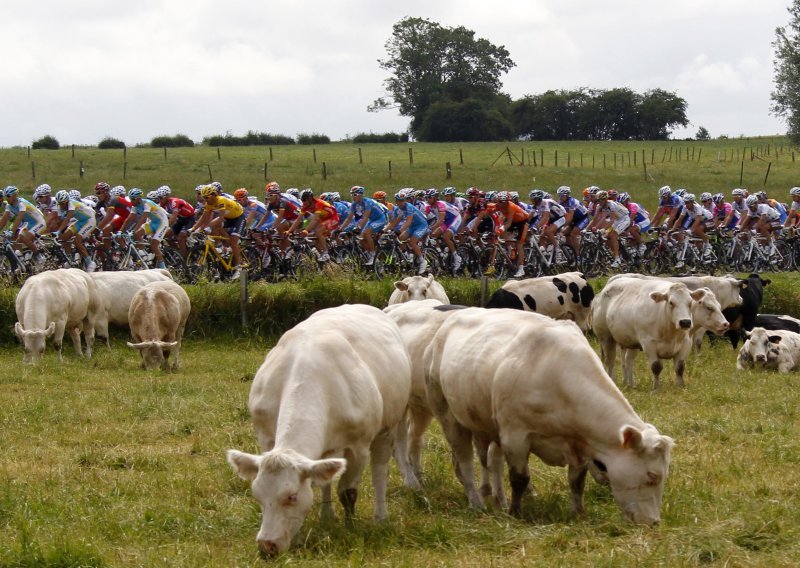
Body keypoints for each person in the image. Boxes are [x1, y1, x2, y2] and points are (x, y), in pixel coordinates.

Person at [190, 184, 246, 278]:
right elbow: (204, 218)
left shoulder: (221, 200)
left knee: (233, 240)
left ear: (213, 195)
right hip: (228, 218)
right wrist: (193, 229)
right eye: (204, 197)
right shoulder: (209, 203)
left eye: (207, 197)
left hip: (238, 218)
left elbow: (221, 217)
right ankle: (224, 246)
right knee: (215, 228)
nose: (205, 199)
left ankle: (239, 267)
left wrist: (207, 227)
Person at [118, 188, 170, 269]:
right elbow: (128, 219)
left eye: (133, 199)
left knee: (154, 245)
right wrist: (120, 232)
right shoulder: (135, 206)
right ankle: (145, 257)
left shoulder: (147, 203)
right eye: (130, 199)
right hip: (154, 222)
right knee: (137, 235)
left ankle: (164, 268)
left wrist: (134, 230)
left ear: (138, 198)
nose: (131, 201)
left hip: (162, 223)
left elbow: (143, 218)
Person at [340, 186, 388, 266]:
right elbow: (349, 218)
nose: (352, 196)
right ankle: (370, 254)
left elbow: (365, 217)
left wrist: (358, 228)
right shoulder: (354, 204)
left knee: (366, 233)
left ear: (361, 195)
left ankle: (373, 255)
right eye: (351, 194)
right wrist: (340, 229)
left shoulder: (368, 202)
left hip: (380, 219)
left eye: (355, 194)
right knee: (361, 239)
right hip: (371, 220)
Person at [385, 190, 430, 274]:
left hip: (421, 226)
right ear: (396, 201)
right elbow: (394, 222)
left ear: (405, 200)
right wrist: (384, 230)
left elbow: (408, 221)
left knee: (412, 242)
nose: (400, 203)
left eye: (402, 201)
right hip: (412, 227)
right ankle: (407, 256)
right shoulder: (398, 209)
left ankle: (422, 261)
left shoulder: (409, 207)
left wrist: (399, 230)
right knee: (400, 239)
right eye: (398, 201)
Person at [0, 186, 47, 264]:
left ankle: (39, 256)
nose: (7, 198)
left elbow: (19, 219)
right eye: (6, 196)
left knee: (25, 239)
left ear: (15, 195)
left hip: (39, 223)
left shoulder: (22, 203)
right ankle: (22, 260)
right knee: (15, 243)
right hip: (28, 224)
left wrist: (11, 231)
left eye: (8, 196)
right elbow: (3, 221)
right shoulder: (9, 206)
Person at [288, 189, 339, 262]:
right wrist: (289, 231)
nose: (303, 202)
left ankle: (326, 253)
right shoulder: (305, 206)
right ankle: (323, 256)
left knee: (318, 231)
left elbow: (315, 220)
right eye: (302, 200)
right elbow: (298, 219)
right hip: (323, 219)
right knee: (314, 238)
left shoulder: (319, 204)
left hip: (333, 218)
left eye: (304, 200)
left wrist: (306, 230)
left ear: (310, 199)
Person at [54, 189, 97, 272]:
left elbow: (67, 219)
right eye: (60, 203)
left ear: (67, 201)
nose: (62, 205)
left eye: (64, 203)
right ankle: (69, 259)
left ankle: (90, 263)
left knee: (77, 241)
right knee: (65, 237)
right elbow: (59, 221)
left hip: (89, 220)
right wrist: (58, 233)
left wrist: (59, 231)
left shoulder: (71, 203)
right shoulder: (59, 206)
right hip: (80, 221)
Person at [587, 190, 630, 268]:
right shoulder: (601, 205)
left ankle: (617, 259)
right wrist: (596, 227)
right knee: (606, 236)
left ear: (605, 200)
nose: (599, 202)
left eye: (601, 200)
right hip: (617, 220)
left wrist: (603, 229)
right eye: (598, 200)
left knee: (613, 235)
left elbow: (612, 220)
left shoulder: (611, 205)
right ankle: (617, 253)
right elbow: (602, 218)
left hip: (624, 219)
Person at [423, 188, 463, 271]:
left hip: (455, 219)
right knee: (433, 235)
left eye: (429, 197)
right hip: (446, 221)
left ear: (435, 197)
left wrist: (430, 228)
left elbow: (440, 221)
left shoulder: (440, 204)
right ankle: (440, 253)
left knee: (446, 236)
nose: (428, 199)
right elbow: (423, 218)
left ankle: (457, 257)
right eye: (426, 197)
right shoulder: (428, 206)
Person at [494, 191, 529, 277]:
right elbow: (500, 219)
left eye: (501, 202)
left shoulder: (511, 207)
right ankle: (510, 249)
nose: (499, 203)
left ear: (506, 201)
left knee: (519, 243)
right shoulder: (500, 205)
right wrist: (497, 230)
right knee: (504, 236)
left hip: (523, 221)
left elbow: (508, 223)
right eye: (498, 201)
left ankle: (521, 269)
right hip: (514, 221)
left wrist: (500, 230)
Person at [156, 185, 195, 257]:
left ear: (167, 197)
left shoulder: (174, 202)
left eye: (161, 198)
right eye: (158, 198)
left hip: (190, 218)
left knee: (181, 237)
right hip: (181, 219)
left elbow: (173, 218)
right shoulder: (162, 204)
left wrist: (163, 227)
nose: (159, 200)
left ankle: (184, 259)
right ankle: (178, 253)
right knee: (167, 235)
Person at [556, 186, 590, 253]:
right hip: (574, 220)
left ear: (567, 195)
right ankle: (573, 252)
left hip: (583, 218)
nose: (560, 197)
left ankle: (578, 255)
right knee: (563, 233)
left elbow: (570, 218)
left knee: (573, 234)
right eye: (559, 195)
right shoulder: (560, 202)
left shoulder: (572, 202)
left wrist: (561, 225)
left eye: (562, 196)